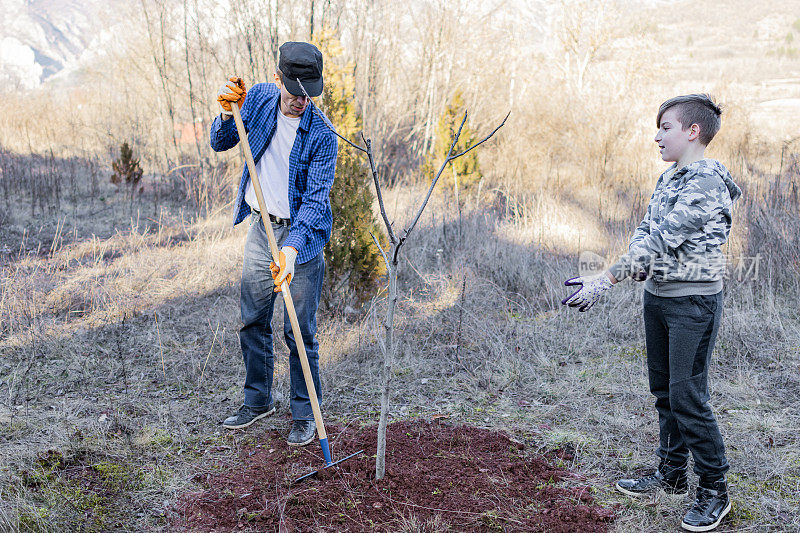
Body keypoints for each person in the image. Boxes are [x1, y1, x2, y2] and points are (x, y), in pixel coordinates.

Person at [562, 94, 742, 532]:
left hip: (693, 303)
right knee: (664, 392)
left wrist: (604, 279)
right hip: (658, 296)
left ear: (692, 132)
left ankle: (714, 491)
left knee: (687, 395)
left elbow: (663, 239)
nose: (657, 135)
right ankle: (672, 474)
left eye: (666, 127)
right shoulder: (669, 179)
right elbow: (645, 231)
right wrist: (628, 269)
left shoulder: (706, 183)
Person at [209, 42, 337, 447]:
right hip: (260, 233)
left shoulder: (322, 134)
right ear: (278, 77)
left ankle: (304, 413)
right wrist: (228, 111)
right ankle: (257, 400)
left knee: (298, 330)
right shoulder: (261, 97)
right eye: (295, 91)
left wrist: (293, 249)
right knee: (253, 321)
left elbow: (316, 203)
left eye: (309, 94)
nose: (301, 101)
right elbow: (222, 141)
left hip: (302, 238)